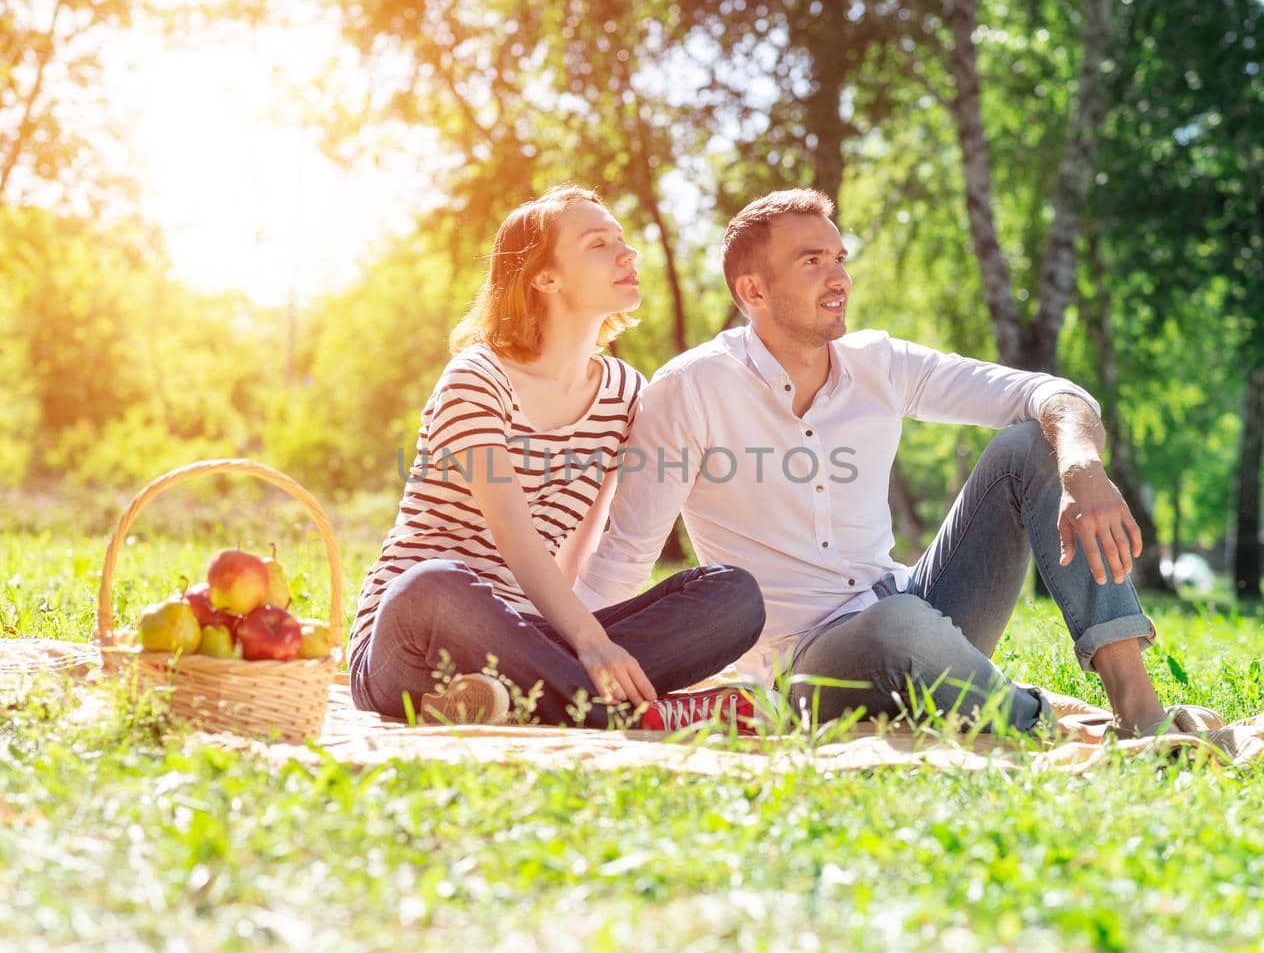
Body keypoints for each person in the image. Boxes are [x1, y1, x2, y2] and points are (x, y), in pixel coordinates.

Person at [577, 188, 1173, 737]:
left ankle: (1138, 710)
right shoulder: (691, 388)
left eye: (839, 258)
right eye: (812, 262)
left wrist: (1080, 469)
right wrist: (572, 661)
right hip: (806, 662)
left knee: (1031, 445)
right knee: (899, 627)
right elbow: (627, 552)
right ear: (752, 292)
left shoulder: (880, 363)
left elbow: (1049, 394)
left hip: (909, 600)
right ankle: (1043, 723)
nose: (839, 278)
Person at [347, 185, 767, 731]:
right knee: (434, 584)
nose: (627, 253)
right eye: (598, 244)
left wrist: (590, 636)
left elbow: (574, 546)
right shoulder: (478, 379)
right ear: (545, 278)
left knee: (733, 594)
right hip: (412, 641)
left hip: (525, 642)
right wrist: (592, 644)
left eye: (621, 239)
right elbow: (516, 538)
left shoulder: (622, 393)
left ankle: (524, 698)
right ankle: (637, 712)